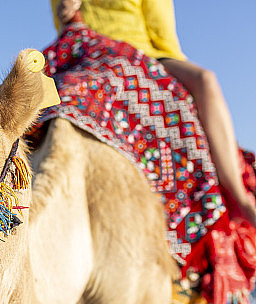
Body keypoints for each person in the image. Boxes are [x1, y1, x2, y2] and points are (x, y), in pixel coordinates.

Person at [53, 0, 256, 229]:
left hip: (146, 53)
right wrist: (66, 14)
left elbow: (163, 34)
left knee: (205, 80)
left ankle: (237, 196)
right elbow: (67, 31)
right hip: (92, 55)